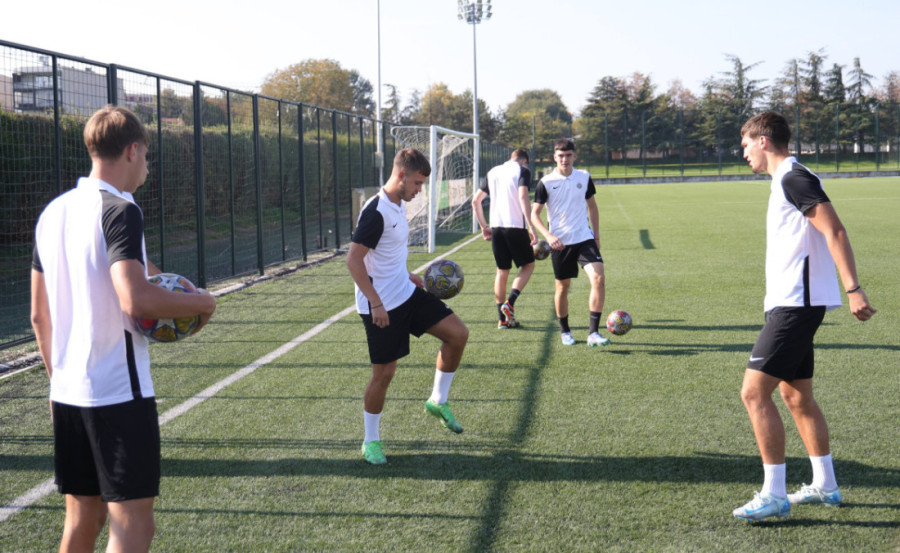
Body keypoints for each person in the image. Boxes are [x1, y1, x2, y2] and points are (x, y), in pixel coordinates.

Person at [30, 105, 217, 552]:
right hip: (117, 393)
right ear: (132, 150)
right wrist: (203, 303)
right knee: (133, 527)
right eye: (147, 156)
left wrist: (58, 384)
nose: (147, 166)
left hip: (68, 392)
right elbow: (135, 299)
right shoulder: (120, 209)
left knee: (82, 520)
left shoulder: (53, 212)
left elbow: (39, 315)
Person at [732, 111, 877, 522]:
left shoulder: (794, 177)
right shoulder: (786, 178)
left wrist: (853, 288)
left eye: (745, 144)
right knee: (796, 396)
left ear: (763, 141)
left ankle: (773, 494)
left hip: (797, 304)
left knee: (753, 393)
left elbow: (835, 230)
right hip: (790, 301)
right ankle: (825, 485)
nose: (743, 152)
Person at [346, 148, 470, 465]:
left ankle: (437, 400)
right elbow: (354, 261)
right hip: (381, 306)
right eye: (417, 183)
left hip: (405, 292)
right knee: (384, 374)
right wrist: (376, 303)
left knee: (457, 334)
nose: (419, 190)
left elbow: (386, 254)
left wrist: (408, 274)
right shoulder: (376, 212)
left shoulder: (398, 204)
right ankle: (370, 441)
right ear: (401, 175)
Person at [530, 138, 611, 347]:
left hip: (584, 238)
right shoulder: (546, 182)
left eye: (568, 155)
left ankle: (593, 333)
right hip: (560, 244)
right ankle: (565, 331)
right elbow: (534, 215)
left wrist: (596, 236)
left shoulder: (584, 177)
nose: (564, 159)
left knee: (599, 278)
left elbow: (592, 207)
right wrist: (549, 237)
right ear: (554, 157)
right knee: (562, 287)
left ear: (574, 156)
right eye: (561, 156)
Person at [471, 148, 537, 329]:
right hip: (515, 226)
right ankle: (510, 302)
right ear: (524, 161)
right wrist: (531, 226)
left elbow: (475, 201)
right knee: (528, 265)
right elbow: (523, 196)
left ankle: (502, 320)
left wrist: (484, 226)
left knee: (502, 271)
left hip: (497, 228)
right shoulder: (522, 171)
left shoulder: (493, 172)